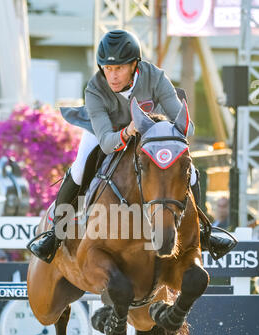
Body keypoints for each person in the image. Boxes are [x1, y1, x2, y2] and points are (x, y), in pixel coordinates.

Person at [27, 29, 236, 263]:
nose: (113, 76)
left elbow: (187, 129)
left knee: (188, 167)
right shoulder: (95, 88)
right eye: (108, 69)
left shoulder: (155, 77)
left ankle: (204, 231)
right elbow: (106, 143)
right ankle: (55, 233)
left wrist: (168, 127)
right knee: (79, 167)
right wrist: (127, 130)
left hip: (148, 129)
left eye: (119, 68)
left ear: (135, 65)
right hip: (105, 131)